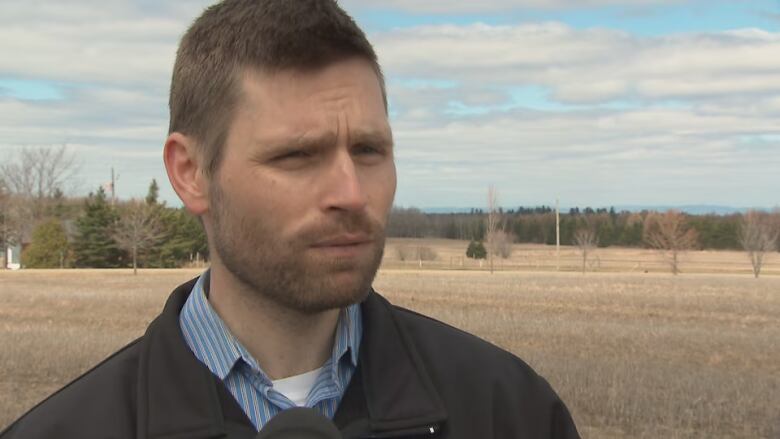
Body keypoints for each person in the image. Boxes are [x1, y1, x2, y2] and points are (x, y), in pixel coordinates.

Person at [0, 1, 580, 438]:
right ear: (190, 172)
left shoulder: (510, 412)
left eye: (370, 150)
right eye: (296, 156)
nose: (352, 194)